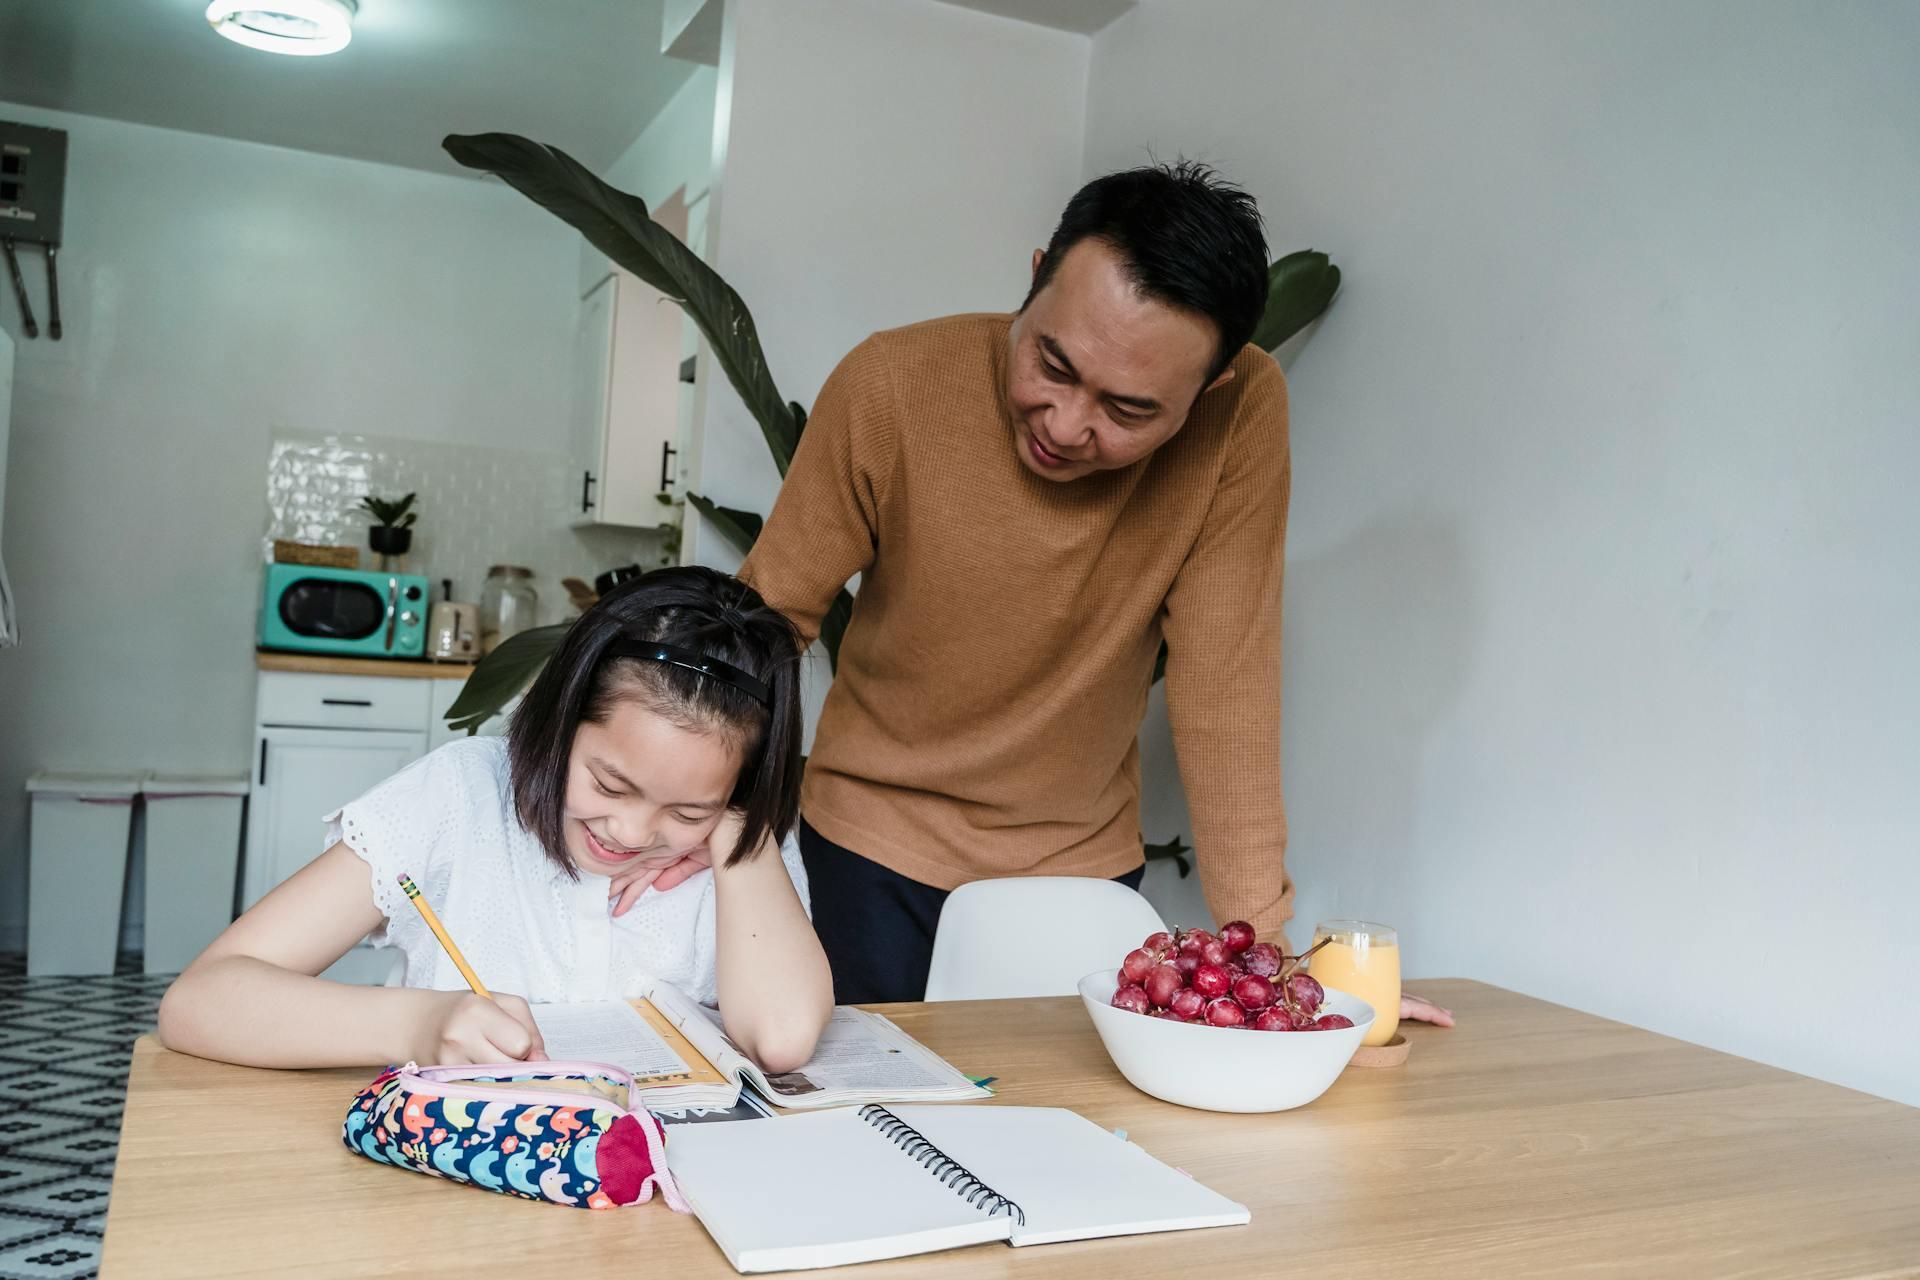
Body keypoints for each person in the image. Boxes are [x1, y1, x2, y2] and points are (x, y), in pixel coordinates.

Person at [158, 567, 833, 1070]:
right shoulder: (458, 797)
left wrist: (735, 834)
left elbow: (782, 1038)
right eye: (608, 782)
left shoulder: (741, 842)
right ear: (558, 723)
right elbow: (200, 1002)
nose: (629, 833)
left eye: (687, 808)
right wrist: (422, 1026)